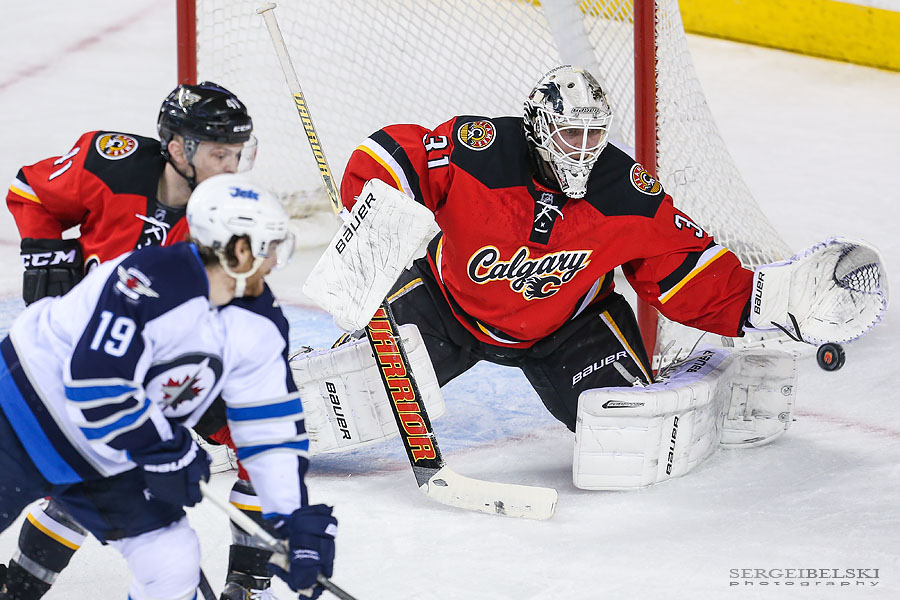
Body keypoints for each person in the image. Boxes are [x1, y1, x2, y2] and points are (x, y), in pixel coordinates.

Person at [337, 65, 884, 439]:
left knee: (630, 435)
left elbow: (681, 267)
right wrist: (372, 209)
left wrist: (764, 301)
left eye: (593, 135)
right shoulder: (481, 151)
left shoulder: (625, 190)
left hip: (571, 329)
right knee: (341, 399)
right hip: (446, 306)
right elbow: (396, 153)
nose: (584, 149)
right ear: (539, 128)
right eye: (570, 135)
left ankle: (706, 375)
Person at [2, 83, 281, 600]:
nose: (231, 166)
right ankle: (20, 585)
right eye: (219, 153)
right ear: (178, 148)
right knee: (88, 455)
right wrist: (45, 255)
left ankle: (248, 582)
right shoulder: (111, 165)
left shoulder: (221, 216)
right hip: (76, 361)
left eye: (238, 153)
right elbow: (30, 190)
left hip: (158, 368)